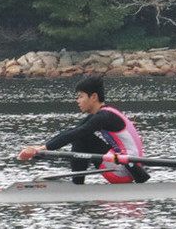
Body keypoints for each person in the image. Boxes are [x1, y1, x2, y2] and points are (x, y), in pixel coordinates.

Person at [16, 75, 149, 184]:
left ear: (94, 97)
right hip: (122, 162)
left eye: (80, 96)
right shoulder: (103, 114)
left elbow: (78, 133)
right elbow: (71, 131)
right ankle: (77, 184)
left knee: (81, 136)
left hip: (128, 170)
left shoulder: (105, 116)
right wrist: (40, 148)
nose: (77, 101)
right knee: (78, 134)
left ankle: (77, 186)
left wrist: (39, 150)